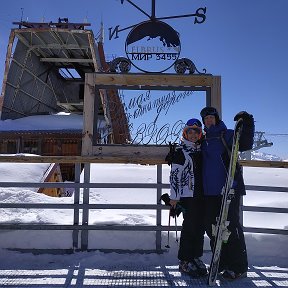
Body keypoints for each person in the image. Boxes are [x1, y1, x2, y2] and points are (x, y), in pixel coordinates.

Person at [199, 106, 254, 280]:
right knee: (212, 227)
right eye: (206, 118)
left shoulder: (227, 134)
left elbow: (245, 144)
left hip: (229, 189)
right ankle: (221, 261)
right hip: (209, 192)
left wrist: (247, 122)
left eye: (211, 117)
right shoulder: (204, 139)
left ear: (216, 118)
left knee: (230, 227)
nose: (208, 120)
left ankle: (238, 266)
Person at [168, 118, 208, 278]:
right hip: (187, 196)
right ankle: (185, 260)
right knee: (190, 227)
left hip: (202, 195)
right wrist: (174, 197)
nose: (192, 135)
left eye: (196, 132)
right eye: (189, 132)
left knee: (199, 227)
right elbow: (174, 176)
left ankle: (196, 257)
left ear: (200, 135)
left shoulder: (201, 150)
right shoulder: (181, 151)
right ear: (185, 133)